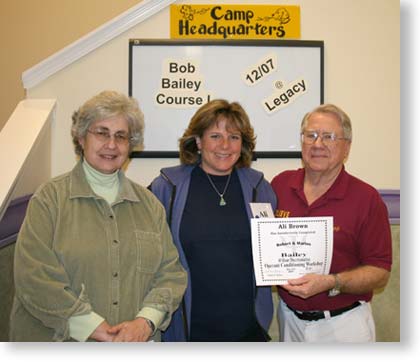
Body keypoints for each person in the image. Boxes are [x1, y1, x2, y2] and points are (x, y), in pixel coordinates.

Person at [9, 90, 187, 342]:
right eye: (101, 133)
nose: (111, 144)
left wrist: (146, 321)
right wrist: (90, 326)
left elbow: (171, 273)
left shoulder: (149, 205)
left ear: (130, 144)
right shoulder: (49, 199)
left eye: (121, 136)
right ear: (81, 138)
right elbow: (34, 275)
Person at [149, 99, 276, 342]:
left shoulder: (260, 188)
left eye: (234, 137)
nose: (225, 145)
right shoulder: (167, 187)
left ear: (243, 144)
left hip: (248, 330)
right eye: (215, 136)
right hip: (187, 328)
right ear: (198, 141)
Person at [271, 103, 392, 342]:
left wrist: (332, 282)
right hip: (289, 320)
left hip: (344, 325)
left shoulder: (366, 198)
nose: (318, 144)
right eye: (311, 135)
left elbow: (380, 272)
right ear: (302, 141)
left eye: (329, 137)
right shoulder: (280, 185)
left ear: (346, 147)